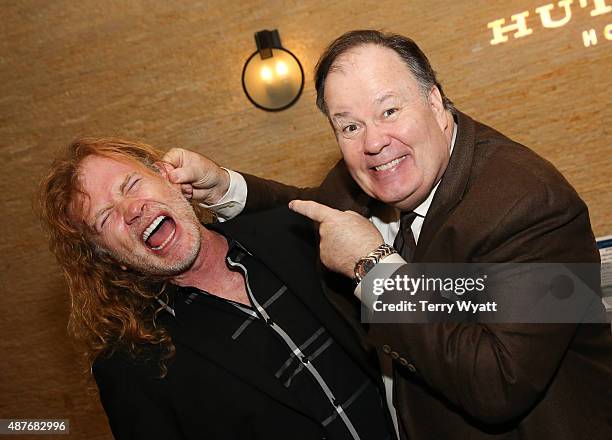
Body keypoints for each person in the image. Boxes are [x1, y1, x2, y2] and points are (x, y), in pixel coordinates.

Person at [163, 30, 612, 439]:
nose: (373, 142)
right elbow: (309, 207)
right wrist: (225, 187)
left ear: (435, 104)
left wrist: (375, 269)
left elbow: (497, 385)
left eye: (390, 110)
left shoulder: (532, 204)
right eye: (350, 126)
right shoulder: (372, 175)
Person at [37, 138, 396, 440]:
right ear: (108, 257)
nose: (131, 210)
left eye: (131, 185)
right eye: (105, 217)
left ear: (167, 177)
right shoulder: (131, 368)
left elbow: (435, 319)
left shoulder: (293, 234)